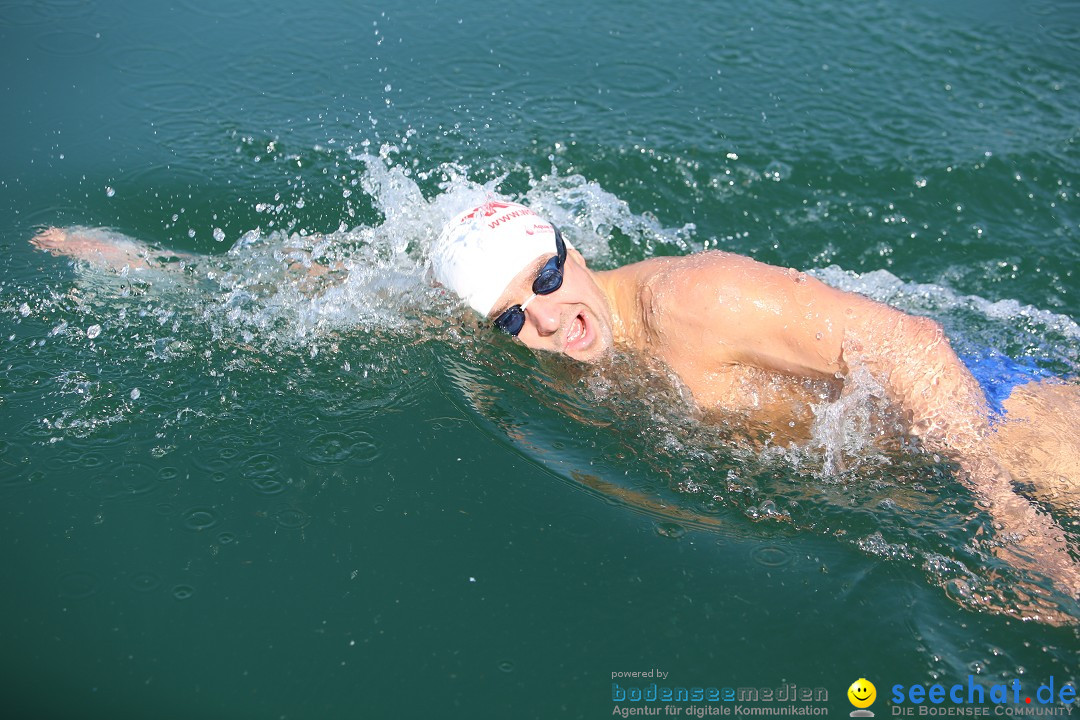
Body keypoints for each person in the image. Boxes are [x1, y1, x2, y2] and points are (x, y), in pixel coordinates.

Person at [30, 199, 1080, 613]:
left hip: (992, 417)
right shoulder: (506, 319)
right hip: (880, 466)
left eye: (547, 281)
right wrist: (151, 267)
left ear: (570, 246)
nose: (549, 322)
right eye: (509, 320)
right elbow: (327, 286)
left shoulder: (694, 297)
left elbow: (911, 343)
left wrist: (1003, 504)